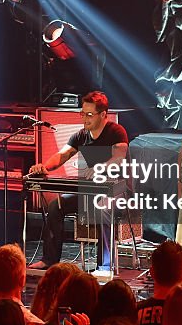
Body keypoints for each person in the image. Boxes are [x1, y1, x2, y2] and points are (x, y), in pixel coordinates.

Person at [27, 91, 128, 269]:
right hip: (89, 192)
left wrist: (100, 167)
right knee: (55, 206)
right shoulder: (81, 135)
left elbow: (119, 156)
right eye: (83, 114)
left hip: (116, 194)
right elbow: (63, 155)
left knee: (103, 208)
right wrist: (44, 167)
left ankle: (104, 266)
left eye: (90, 114)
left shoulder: (116, 132)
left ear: (103, 114)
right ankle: (49, 260)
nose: (85, 118)